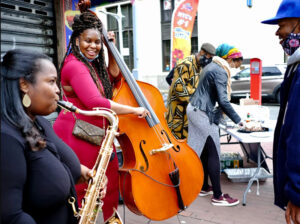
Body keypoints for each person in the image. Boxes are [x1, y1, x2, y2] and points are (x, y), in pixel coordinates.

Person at [53, 10, 149, 222]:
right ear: (77, 39)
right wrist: (134, 111)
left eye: (97, 42)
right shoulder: (74, 65)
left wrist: (110, 49)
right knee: (85, 191)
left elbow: (114, 77)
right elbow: (95, 103)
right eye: (88, 40)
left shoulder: (91, 64)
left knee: (107, 184)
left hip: (94, 134)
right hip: (78, 136)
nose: (93, 46)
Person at [0, 49, 96, 224]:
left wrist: (84, 172)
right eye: (51, 82)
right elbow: (10, 217)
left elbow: (46, 167)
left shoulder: (39, 122)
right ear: (24, 84)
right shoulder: (6, 139)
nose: (58, 90)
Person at [187, 43, 244, 206]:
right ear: (229, 59)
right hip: (203, 113)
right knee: (214, 153)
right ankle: (218, 196)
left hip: (195, 109)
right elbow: (223, 100)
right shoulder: (220, 70)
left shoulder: (212, 65)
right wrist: (238, 120)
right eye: (236, 63)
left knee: (204, 151)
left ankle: (204, 187)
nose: (236, 67)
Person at [262, 1, 300, 223]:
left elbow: (297, 133)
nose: (278, 33)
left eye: (282, 25)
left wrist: (297, 191)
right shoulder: (294, 65)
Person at [165, 43, 216, 139]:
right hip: (178, 113)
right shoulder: (185, 64)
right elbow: (178, 88)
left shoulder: (199, 66)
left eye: (211, 58)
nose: (208, 60)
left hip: (188, 113)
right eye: (208, 57)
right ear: (202, 52)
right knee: (176, 143)